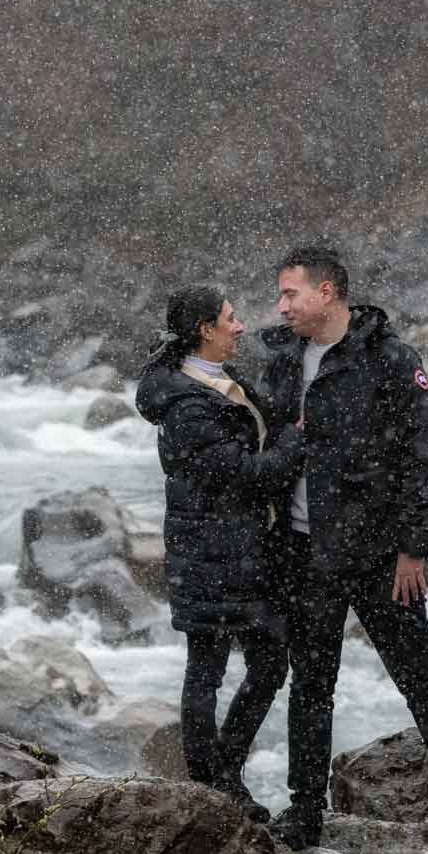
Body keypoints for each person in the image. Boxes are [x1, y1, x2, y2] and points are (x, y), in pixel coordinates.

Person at [258, 246, 428, 854]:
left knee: (420, 682)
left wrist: (413, 549)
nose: (281, 305)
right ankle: (305, 812)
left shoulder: (389, 358)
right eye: (280, 295)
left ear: (328, 292)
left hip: (378, 556)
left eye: (291, 294)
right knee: (311, 687)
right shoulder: (283, 359)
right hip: (303, 553)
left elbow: (426, 457)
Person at [136, 286, 304, 821]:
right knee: (206, 669)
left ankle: (225, 772)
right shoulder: (187, 403)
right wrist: (297, 444)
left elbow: (267, 422)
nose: (240, 327)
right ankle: (209, 784)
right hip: (209, 554)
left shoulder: (218, 381)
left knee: (268, 663)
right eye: (231, 320)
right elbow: (245, 475)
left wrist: (293, 362)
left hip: (243, 552)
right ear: (205, 330)